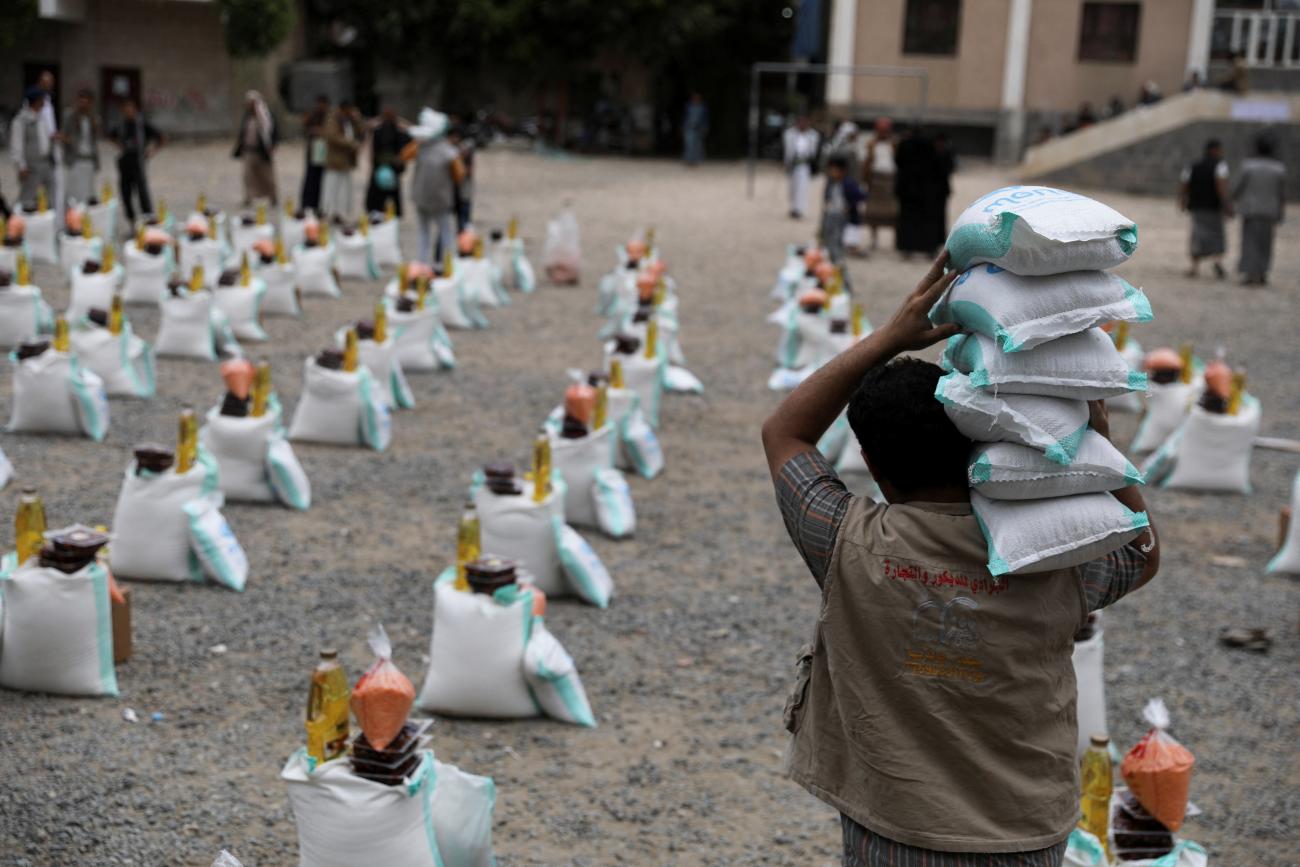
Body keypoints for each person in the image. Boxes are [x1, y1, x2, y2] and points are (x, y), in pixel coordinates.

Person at [761, 253, 1159, 867]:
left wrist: (891, 335)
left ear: (870, 464)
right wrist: (1094, 435)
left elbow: (785, 434)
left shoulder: (846, 541)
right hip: (1026, 835)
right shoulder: (1057, 556)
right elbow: (1142, 549)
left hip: (889, 832)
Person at [1232, 135, 1286, 286]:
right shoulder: (1278, 169)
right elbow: (1281, 194)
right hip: (1269, 210)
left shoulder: (1248, 166)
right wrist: (1281, 212)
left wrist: (1231, 201)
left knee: (1249, 242)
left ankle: (1249, 273)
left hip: (1250, 209)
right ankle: (1262, 272)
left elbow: (1237, 187)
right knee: (1266, 243)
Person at [409, 108, 460, 264]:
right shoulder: (448, 150)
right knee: (446, 232)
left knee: (424, 233)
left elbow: (403, 155)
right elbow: (460, 174)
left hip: (421, 196)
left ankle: (423, 263)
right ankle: (449, 264)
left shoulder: (420, 147)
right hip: (441, 199)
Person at [1178, 139, 1231, 279]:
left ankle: (1194, 267)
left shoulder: (1193, 165)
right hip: (1213, 207)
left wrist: (1182, 201)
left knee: (1197, 235)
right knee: (1217, 235)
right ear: (1214, 150)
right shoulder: (1220, 166)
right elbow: (1221, 187)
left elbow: (1185, 184)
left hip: (1197, 206)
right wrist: (1226, 205)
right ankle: (1217, 261)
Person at [893, 126, 945, 259]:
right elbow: (937, 166)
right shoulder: (929, 145)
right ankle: (929, 248)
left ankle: (907, 248)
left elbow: (898, 162)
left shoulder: (904, 144)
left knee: (907, 220)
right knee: (927, 220)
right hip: (927, 190)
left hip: (907, 190)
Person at [109, 99, 162, 223]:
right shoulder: (121, 125)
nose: (128, 111)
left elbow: (161, 137)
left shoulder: (142, 124)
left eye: (130, 108)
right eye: (125, 109)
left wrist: (151, 151)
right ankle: (131, 221)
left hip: (138, 163)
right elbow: (111, 135)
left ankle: (148, 220)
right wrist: (120, 145)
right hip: (125, 164)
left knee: (142, 192)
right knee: (126, 193)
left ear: (135, 109)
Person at [9, 88, 54, 211]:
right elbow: (16, 145)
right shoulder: (21, 120)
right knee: (29, 197)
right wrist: (21, 166)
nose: (44, 103)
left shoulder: (41, 118)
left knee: (49, 194)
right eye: (42, 100)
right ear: (37, 101)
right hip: (31, 165)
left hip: (45, 162)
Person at [233, 90, 278, 206]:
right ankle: (248, 198)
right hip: (248, 151)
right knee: (247, 176)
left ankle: (273, 197)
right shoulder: (247, 117)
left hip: (262, 152)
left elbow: (273, 133)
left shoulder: (266, 117)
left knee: (267, 176)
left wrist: (272, 146)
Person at [365, 106, 411, 216]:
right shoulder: (378, 130)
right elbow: (373, 146)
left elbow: (409, 135)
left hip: (393, 164)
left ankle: (393, 212)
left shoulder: (399, 130)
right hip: (379, 163)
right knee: (376, 190)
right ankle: (375, 210)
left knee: (393, 190)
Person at [819, 155, 865, 266]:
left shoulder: (849, 183)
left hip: (846, 217)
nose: (832, 173)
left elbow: (861, 195)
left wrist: (850, 206)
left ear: (842, 171)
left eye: (834, 170)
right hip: (833, 215)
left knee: (840, 240)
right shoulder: (831, 183)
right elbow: (827, 198)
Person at [320, 99, 362, 221]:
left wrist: (357, 119)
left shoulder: (350, 121)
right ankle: (329, 212)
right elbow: (332, 136)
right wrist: (351, 144)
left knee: (344, 190)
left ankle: (341, 213)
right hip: (335, 161)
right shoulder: (333, 119)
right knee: (331, 188)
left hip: (346, 162)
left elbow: (361, 131)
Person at [862, 117, 897, 251]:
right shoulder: (871, 144)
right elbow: (866, 162)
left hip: (890, 181)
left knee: (893, 212)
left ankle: (894, 240)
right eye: (881, 130)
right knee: (873, 213)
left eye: (885, 130)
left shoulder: (893, 144)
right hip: (875, 181)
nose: (883, 133)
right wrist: (866, 179)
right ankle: (874, 238)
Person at [63, 89, 101, 207]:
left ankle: (85, 219)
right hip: (75, 159)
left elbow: (95, 139)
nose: (83, 104)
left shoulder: (94, 117)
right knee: (74, 191)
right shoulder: (70, 116)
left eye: (86, 102)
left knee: (88, 191)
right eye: (81, 101)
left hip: (89, 159)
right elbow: (64, 135)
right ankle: (73, 219)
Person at [37, 70, 65, 210]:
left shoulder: (48, 100)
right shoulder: (34, 101)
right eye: (45, 83)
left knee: (55, 185)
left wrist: (55, 134)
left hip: (52, 148)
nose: (48, 85)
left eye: (50, 83)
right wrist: (52, 135)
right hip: (40, 150)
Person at [783, 115, 820, 220]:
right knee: (792, 188)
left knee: (802, 188)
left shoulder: (813, 135)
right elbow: (788, 151)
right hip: (793, 165)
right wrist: (787, 163)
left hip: (804, 166)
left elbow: (813, 152)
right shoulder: (790, 134)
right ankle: (793, 207)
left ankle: (799, 209)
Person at [300, 94, 330, 212]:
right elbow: (306, 129)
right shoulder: (313, 115)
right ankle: (308, 205)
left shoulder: (330, 117)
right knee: (310, 179)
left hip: (324, 151)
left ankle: (320, 206)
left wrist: (321, 131)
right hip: (313, 151)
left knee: (322, 180)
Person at [449, 125, 475, 230]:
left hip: (463, 192)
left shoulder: (465, 149)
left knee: (464, 223)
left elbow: (468, 171)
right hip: (450, 193)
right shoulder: (448, 150)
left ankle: (464, 245)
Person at [682, 93, 709, 166]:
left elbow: (705, 118)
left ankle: (695, 160)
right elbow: (685, 117)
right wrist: (683, 127)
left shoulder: (703, 107)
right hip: (689, 127)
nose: (696, 99)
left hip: (699, 128)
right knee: (689, 143)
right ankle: (689, 160)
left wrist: (705, 127)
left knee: (698, 145)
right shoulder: (688, 106)